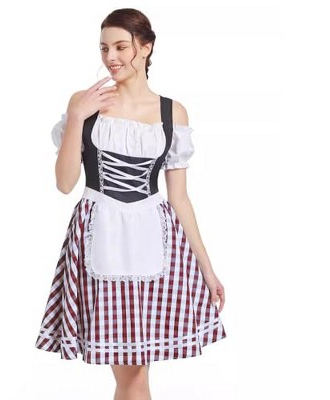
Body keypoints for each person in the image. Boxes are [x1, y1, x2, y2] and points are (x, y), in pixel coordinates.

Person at [35, 8, 227, 400]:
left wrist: (207, 269)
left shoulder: (172, 112)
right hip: (99, 238)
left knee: (135, 374)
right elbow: (65, 183)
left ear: (146, 47)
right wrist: (77, 116)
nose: (111, 57)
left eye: (121, 47)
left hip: (156, 244)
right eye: (104, 48)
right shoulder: (84, 104)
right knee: (132, 376)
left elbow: (179, 198)